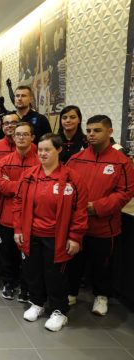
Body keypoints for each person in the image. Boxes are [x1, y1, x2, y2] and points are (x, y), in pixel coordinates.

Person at [14, 133, 88, 332]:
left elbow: (80, 211)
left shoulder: (72, 178)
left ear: (59, 150)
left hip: (57, 237)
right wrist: (18, 228)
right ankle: (37, 302)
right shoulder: (29, 176)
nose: (43, 154)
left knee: (55, 275)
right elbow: (18, 203)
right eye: (40, 150)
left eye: (48, 149)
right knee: (32, 272)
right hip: (32, 234)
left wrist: (75, 237)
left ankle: (59, 311)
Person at [66, 115, 134, 315]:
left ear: (109, 132)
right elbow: (64, 184)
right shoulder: (76, 159)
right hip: (77, 224)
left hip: (105, 226)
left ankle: (101, 296)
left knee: (101, 265)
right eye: (88, 131)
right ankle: (71, 292)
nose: (91, 135)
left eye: (97, 130)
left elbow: (125, 192)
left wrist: (96, 207)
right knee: (74, 261)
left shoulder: (121, 162)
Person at [0, 122, 39, 301]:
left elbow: (38, 189)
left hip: (30, 218)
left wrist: (14, 184)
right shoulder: (4, 161)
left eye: (25, 134)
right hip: (6, 217)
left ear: (32, 138)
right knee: (7, 255)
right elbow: (3, 187)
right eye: (18, 134)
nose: (21, 137)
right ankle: (9, 283)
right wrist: (25, 186)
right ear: (13, 138)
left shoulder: (39, 161)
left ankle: (26, 287)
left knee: (27, 256)